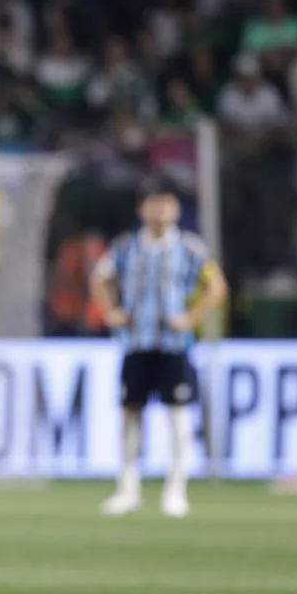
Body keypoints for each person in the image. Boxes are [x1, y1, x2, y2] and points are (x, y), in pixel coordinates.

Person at [90, 184, 227, 518]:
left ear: (176, 210)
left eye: (166, 204)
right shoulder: (126, 247)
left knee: (178, 415)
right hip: (136, 342)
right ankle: (128, 488)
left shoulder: (190, 248)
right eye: (154, 204)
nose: (160, 211)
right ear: (143, 209)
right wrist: (111, 312)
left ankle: (175, 489)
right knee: (130, 412)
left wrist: (191, 317)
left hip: (174, 345)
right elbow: (100, 278)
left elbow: (217, 287)